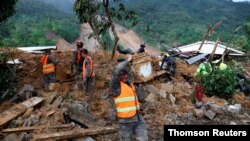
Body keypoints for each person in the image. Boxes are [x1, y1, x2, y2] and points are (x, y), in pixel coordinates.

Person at [109, 55, 148, 141]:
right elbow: (118, 69)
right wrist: (128, 60)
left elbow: (137, 98)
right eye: (122, 74)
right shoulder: (115, 85)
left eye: (126, 74)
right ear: (118, 75)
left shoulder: (130, 84)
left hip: (138, 118)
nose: (125, 76)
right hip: (125, 121)